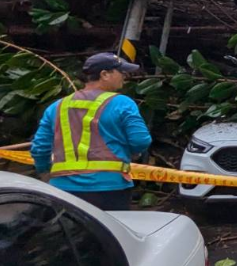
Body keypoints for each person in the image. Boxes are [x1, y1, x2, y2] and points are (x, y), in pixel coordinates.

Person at [30, 52, 151, 211]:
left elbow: (39, 148)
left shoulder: (57, 106)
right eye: (120, 72)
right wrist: (133, 153)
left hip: (63, 188)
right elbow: (141, 140)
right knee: (109, 233)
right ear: (105, 74)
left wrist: (45, 171)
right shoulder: (122, 103)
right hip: (110, 187)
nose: (125, 76)